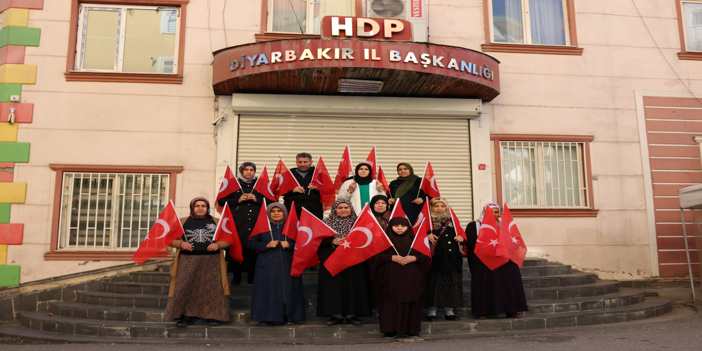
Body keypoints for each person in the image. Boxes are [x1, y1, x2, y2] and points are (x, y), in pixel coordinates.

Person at [163, 197, 231, 327]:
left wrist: (218, 245)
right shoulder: (182, 222)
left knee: (213, 288)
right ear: (192, 208)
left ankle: (214, 316)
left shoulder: (217, 222)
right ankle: (185, 316)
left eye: (203, 206)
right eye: (197, 206)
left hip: (212, 260)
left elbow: (228, 239)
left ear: (208, 208)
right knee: (186, 286)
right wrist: (181, 243)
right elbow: (169, 239)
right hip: (187, 260)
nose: (200, 208)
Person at [369, 217, 431, 339]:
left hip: (411, 279)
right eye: (396, 225)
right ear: (390, 227)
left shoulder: (415, 241)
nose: (399, 228)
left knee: (411, 302)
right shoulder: (383, 241)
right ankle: (390, 330)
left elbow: (426, 257)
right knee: (390, 304)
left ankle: (411, 330)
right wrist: (391, 258)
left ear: (408, 227)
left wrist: (414, 258)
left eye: (403, 226)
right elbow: (374, 259)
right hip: (390, 279)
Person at [465, 203, 528, 319]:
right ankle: (483, 311)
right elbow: (470, 242)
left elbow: (513, 240)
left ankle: (511, 310)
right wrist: (490, 248)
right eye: (490, 211)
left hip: (504, 260)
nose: (494, 214)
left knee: (508, 284)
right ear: (484, 212)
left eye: (496, 212)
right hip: (484, 261)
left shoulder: (504, 225)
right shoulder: (474, 225)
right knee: (485, 285)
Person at [316, 199, 374, 325]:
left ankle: (351, 315)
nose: (343, 210)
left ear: (351, 209)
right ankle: (335, 314)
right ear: (334, 209)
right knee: (333, 287)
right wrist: (332, 242)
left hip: (354, 260)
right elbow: (317, 242)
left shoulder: (359, 223)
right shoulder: (325, 223)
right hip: (332, 258)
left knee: (353, 285)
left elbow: (367, 239)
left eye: (346, 207)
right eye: (340, 207)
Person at [247, 203, 305, 325]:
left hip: (288, 264)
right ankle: (267, 316)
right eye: (273, 211)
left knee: (288, 291)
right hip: (267, 265)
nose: (276, 213)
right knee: (268, 290)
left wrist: (290, 245)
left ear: (284, 212)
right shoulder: (263, 226)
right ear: (268, 213)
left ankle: (288, 315)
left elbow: (303, 244)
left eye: (279, 210)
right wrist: (266, 245)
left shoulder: (292, 226)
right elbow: (250, 243)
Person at [217, 161, 264, 284]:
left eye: (251, 170)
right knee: (237, 245)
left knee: (253, 246)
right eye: (246, 170)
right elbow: (221, 200)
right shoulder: (233, 184)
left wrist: (256, 199)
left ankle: (252, 275)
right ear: (241, 171)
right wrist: (238, 200)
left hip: (255, 220)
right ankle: (236, 275)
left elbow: (270, 200)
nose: (249, 172)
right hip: (237, 221)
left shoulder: (260, 184)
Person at [423, 197, 464, 321]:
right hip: (436, 259)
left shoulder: (452, 221)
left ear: (446, 208)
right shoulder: (427, 221)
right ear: (431, 208)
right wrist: (426, 235)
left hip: (452, 259)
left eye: (442, 206)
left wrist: (462, 238)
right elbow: (416, 236)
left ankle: (449, 311)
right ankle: (431, 312)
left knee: (451, 284)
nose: (439, 209)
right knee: (433, 284)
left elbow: (462, 233)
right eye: (436, 206)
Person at [283, 153, 324, 219]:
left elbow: (329, 190)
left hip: (314, 210)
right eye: (300, 162)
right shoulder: (288, 174)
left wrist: (318, 188)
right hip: (292, 209)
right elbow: (279, 191)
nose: (302, 164)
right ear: (296, 162)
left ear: (311, 162)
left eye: (305, 162)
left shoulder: (319, 173)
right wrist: (292, 190)